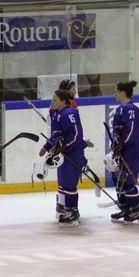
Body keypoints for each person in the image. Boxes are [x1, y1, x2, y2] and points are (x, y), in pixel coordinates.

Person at [40, 88, 87, 226]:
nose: (52, 102)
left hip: (73, 154)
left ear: (62, 101)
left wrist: (64, 147)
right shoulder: (56, 113)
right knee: (63, 183)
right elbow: (55, 136)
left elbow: (76, 136)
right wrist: (47, 147)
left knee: (70, 185)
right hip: (62, 155)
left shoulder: (70, 114)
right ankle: (64, 209)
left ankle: (72, 213)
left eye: (54, 100)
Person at [108, 80, 139, 224]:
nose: (114, 93)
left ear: (123, 93)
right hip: (122, 151)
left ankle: (136, 209)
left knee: (128, 181)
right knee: (118, 180)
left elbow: (131, 131)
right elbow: (118, 131)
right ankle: (125, 207)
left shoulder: (131, 109)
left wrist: (121, 144)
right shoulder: (120, 109)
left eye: (115, 91)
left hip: (132, 151)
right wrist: (116, 142)